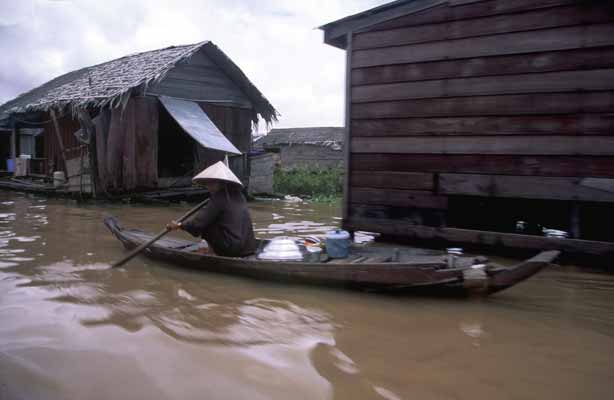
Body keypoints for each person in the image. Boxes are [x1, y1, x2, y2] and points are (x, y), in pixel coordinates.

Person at [167, 161, 257, 257]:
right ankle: (212, 249)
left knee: (207, 224)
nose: (208, 187)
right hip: (248, 248)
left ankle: (212, 252)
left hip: (232, 250)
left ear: (219, 183)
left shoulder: (218, 198)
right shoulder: (240, 196)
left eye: (210, 183)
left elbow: (198, 224)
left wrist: (179, 225)